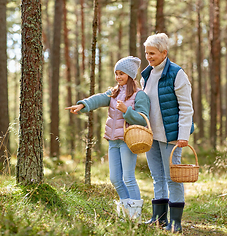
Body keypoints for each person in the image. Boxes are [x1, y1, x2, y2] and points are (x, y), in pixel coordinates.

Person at [65, 56, 150, 223]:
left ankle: (136, 217)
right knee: (115, 179)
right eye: (116, 73)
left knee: (128, 178)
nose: (118, 77)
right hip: (113, 141)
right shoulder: (114, 93)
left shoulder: (139, 95)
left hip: (128, 141)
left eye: (122, 74)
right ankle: (127, 214)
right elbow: (97, 99)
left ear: (130, 75)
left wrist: (127, 111)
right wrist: (82, 105)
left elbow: (143, 119)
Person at [140, 33, 194, 233]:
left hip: (171, 136)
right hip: (150, 135)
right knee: (157, 176)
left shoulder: (177, 73)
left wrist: (183, 135)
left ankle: (176, 222)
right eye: (146, 53)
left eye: (152, 53)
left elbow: (186, 107)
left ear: (164, 53)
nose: (148, 57)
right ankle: (159, 218)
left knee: (173, 177)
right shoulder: (146, 75)